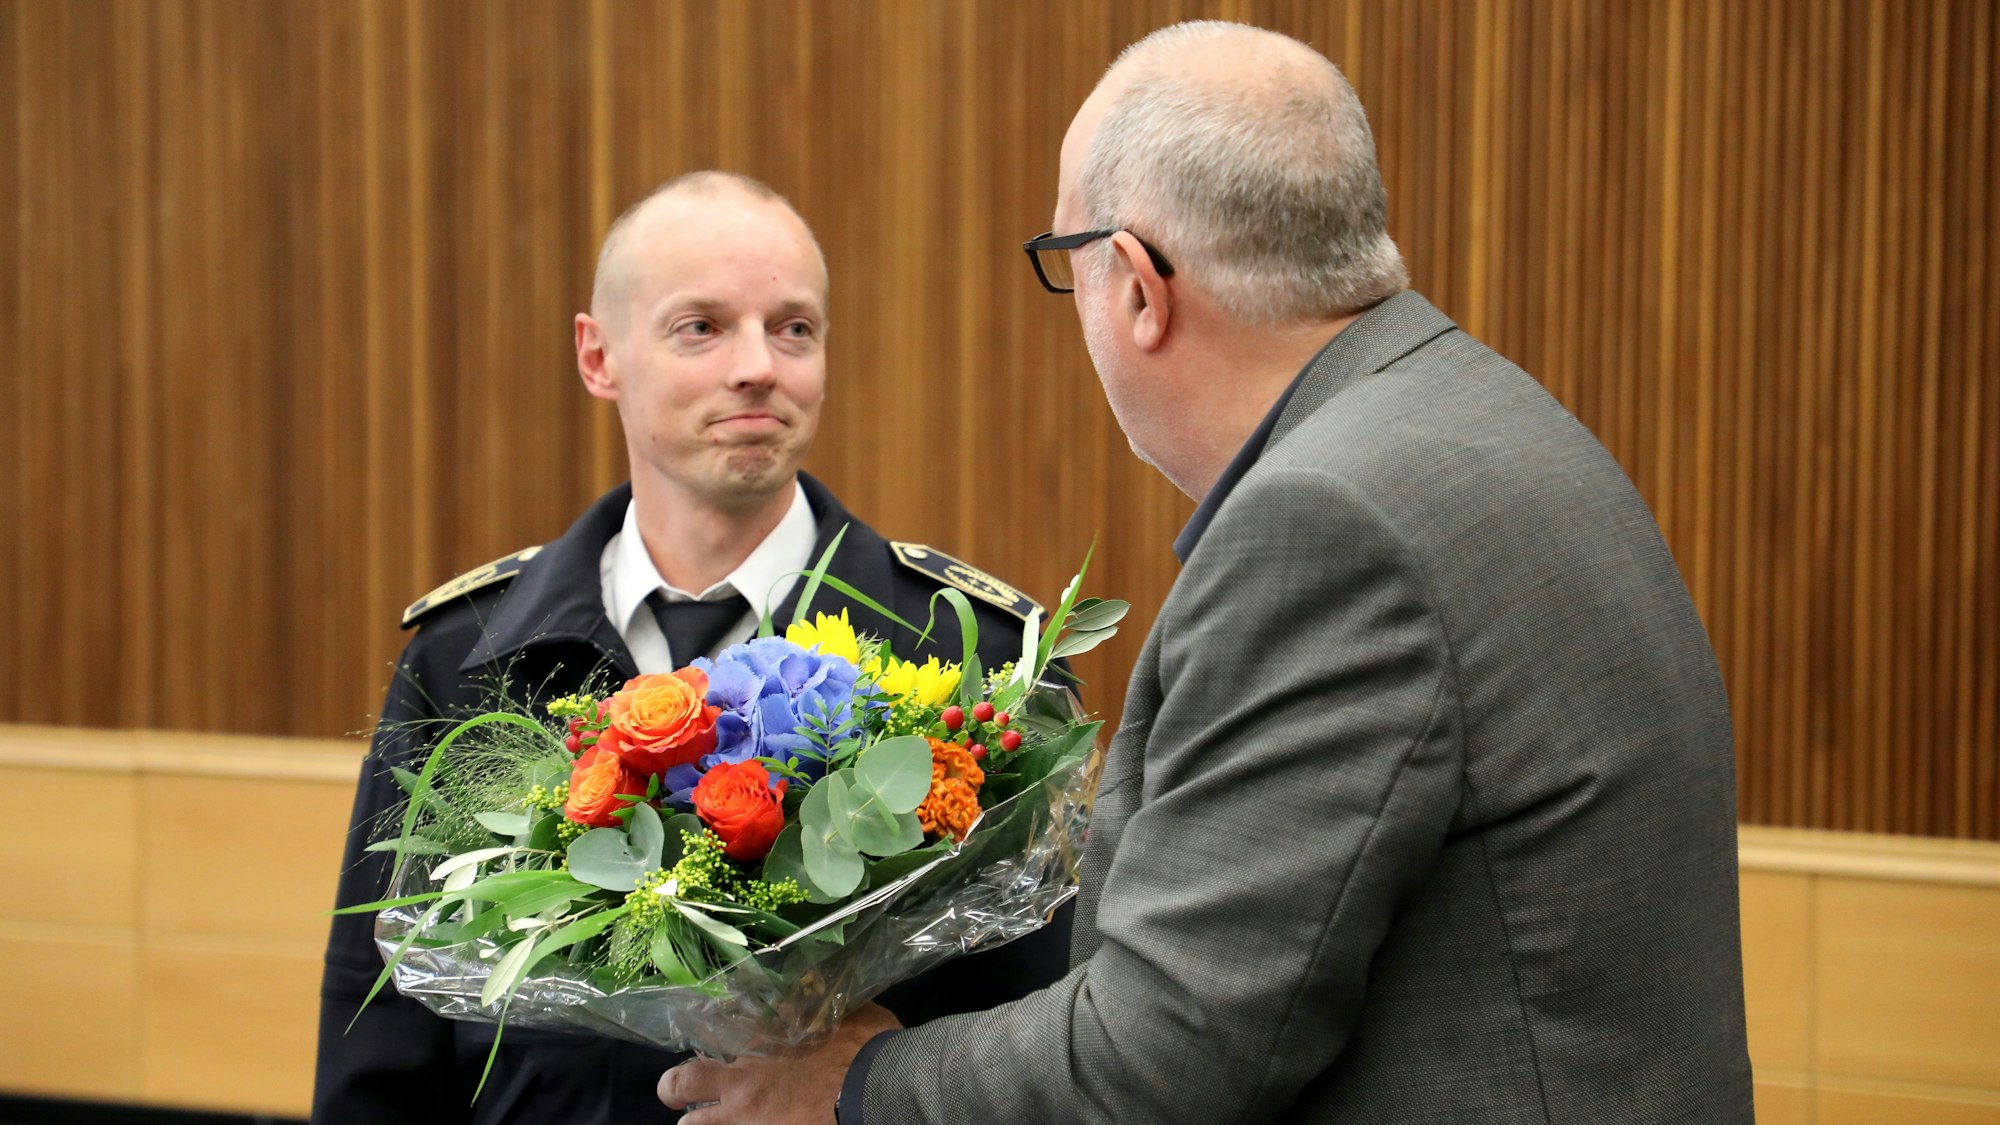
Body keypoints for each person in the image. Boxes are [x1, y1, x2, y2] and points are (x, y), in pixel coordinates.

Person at [659, 21, 1754, 1124]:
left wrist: (853, 1088)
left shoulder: (1326, 526)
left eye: (1066, 269)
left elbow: (1164, 1053)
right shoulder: (1483, 415)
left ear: (1135, 286)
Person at [312, 171, 1071, 1124]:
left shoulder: (970, 658)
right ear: (600, 356)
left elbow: (1047, 1041)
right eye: (700, 327)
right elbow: (379, 1035)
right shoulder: (468, 654)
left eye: (793, 327)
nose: (758, 365)